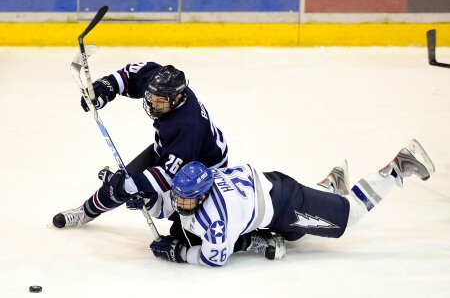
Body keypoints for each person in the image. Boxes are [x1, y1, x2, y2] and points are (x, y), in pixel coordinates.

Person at [116, 138, 433, 267]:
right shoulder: (191, 190)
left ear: (203, 194)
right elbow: (170, 206)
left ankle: (396, 168)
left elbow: (214, 258)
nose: (181, 203)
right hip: (269, 190)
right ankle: (329, 186)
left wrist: (180, 253)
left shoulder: (215, 216)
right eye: (179, 197)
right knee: (295, 236)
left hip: (284, 203)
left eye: (189, 199)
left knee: (347, 218)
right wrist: (147, 201)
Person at [52, 62, 233, 246]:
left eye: (160, 100)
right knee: (118, 185)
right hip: (169, 150)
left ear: (177, 97)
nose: (154, 103)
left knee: (186, 231)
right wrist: (106, 87)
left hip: (202, 170)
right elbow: (132, 74)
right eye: (152, 97)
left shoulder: (187, 126)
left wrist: (131, 186)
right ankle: (85, 212)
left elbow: (167, 175)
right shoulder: (161, 84)